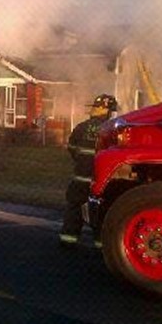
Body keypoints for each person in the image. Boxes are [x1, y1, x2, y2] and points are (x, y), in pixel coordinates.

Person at [60, 93, 117, 247]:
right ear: (109, 111)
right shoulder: (113, 130)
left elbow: (72, 148)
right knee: (100, 210)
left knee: (74, 208)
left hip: (80, 177)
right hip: (101, 180)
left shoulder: (82, 127)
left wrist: (82, 162)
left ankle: (68, 239)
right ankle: (100, 244)